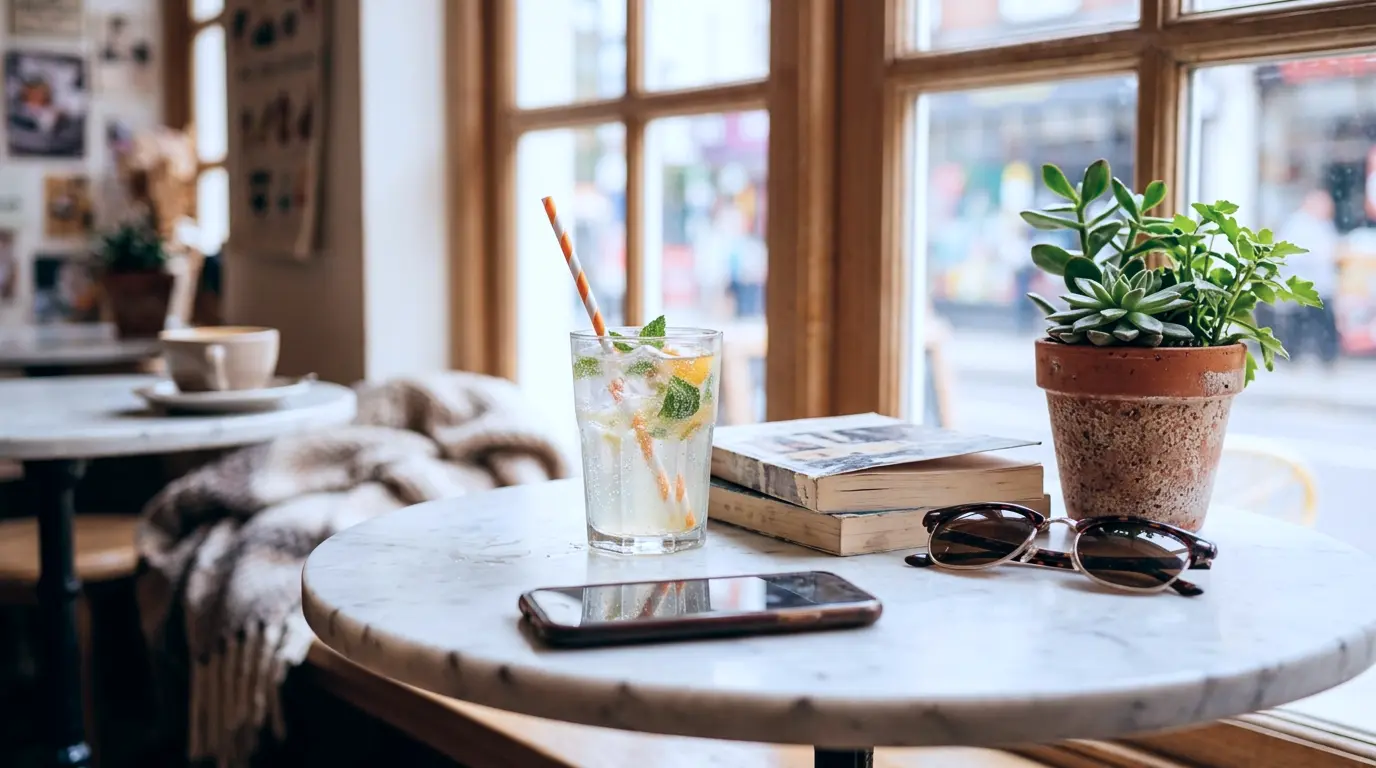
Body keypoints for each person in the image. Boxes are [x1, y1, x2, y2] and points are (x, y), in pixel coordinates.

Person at [1279, 188, 1341, 365]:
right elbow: (1291, 255)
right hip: (1303, 284)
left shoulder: (1323, 224)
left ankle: (1328, 356)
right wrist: (1317, 256)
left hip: (1322, 285)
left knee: (1324, 322)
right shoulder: (1296, 224)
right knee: (1299, 322)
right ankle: (1290, 355)